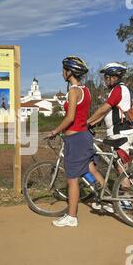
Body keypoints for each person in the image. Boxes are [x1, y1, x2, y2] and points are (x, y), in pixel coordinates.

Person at [48, 56, 104, 227]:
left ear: (70, 71)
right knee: (91, 169)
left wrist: (55, 131)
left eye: (64, 69)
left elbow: (70, 117)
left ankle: (72, 216)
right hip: (85, 136)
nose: (62, 72)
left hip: (75, 138)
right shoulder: (85, 90)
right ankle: (107, 199)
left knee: (72, 179)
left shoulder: (73, 91)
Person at [87, 62, 133, 211]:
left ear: (114, 77)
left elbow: (104, 108)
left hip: (121, 133)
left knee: (121, 167)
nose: (105, 80)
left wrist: (87, 121)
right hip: (118, 133)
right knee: (119, 165)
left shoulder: (119, 89)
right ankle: (123, 197)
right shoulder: (117, 90)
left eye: (107, 77)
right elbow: (106, 114)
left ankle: (126, 201)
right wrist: (91, 123)